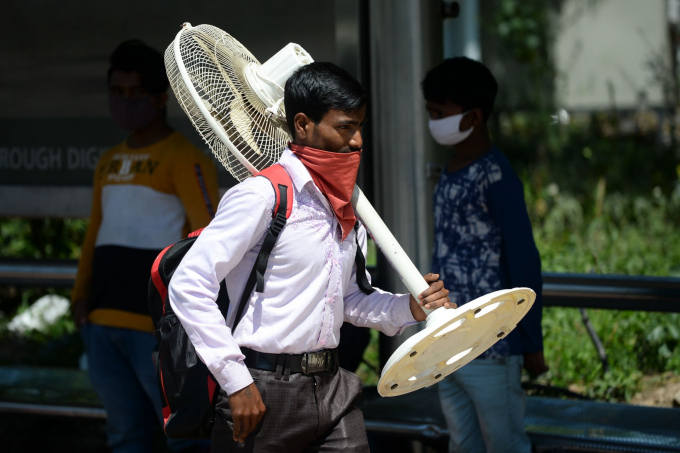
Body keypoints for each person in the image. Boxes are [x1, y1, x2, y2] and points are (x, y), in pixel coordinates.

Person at [167, 62, 455, 452]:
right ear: (302, 125)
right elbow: (188, 284)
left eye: (360, 127)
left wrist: (411, 309)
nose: (357, 142)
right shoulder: (262, 196)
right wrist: (236, 381)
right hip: (262, 389)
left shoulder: (347, 205)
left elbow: (349, 300)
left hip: (333, 387)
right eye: (344, 127)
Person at [71, 40, 219, 453]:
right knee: (124, 438)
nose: (124, 102)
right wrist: (80, 296)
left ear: (159, 97)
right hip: (102, 321)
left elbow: (209, 238)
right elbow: (94, 234)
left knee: (184, 436)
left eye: (134, 93)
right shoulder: (108, 161)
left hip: (157, 326)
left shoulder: (185, 158)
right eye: (116, 93)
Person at [421, 57, 548, 453]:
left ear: (474, 116)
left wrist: (531, 343)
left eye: (440, 113)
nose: (433, 120)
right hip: (448, 341)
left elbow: (524, 260)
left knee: (505, 443)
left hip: (493, 346)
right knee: (463, 444)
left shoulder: (497, 175)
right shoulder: (451, 170)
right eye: (430, 112)